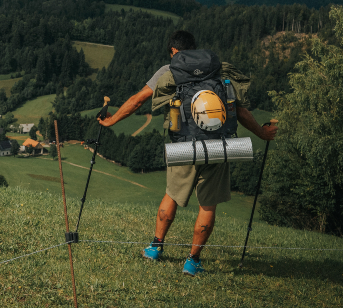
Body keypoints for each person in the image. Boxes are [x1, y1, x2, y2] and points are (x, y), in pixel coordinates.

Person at [98, 30, 277, 276]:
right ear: (194, 48)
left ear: (173, 51)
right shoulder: (218, 70)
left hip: (184, 145)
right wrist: (262, 133)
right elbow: (241, 111)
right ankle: (192, 262)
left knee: (171, 195)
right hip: (218, 146)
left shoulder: (168, 71)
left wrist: (111, 121)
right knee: (208, 205)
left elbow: (137, 100)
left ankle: (155, 248)